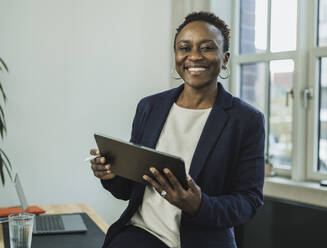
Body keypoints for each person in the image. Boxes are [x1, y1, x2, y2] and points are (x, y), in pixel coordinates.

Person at [90, 11, 265, 248]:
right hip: (141, 234)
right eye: (185, 48)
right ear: (176, 56)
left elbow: (249, 201)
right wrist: (112, 175)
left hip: (202, 240)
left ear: (224, 58)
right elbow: (131, 189)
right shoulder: (150, 107)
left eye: (206, 48)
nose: (194, 56)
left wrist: (199, 205)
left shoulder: (246, 120)